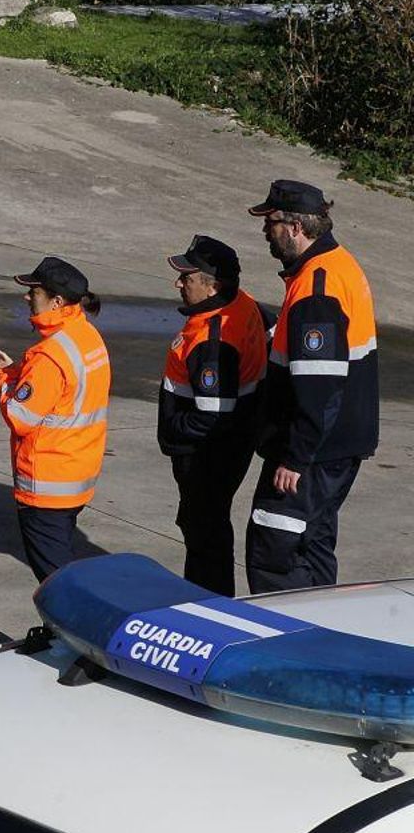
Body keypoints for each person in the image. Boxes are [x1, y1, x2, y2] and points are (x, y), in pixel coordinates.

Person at [244, 180, 377, 592]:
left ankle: (287, 644)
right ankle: (325, 633)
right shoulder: (337, 265)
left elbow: (319, 386)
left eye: (272, 222)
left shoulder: (316, 289)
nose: (266, 231)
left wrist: (295, 458)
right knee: (314, 542)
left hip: (314, 454)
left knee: (274, 550)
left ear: (296, 227)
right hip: (338, 446)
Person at [0, 257, 110, 582]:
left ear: (55, 301)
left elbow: (19, 416)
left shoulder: (50, 356)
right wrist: (20, 373)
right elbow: (60, 393)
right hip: (76, 474)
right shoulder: (86, 336)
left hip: (47, 485)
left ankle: (72, 630)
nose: (27, 297)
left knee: (57, 581)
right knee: (62, 563)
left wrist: (2, 378)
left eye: (34, 292)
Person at [158, 236, 268, 596]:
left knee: (205, 532)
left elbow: (212, 415)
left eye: (186, 278)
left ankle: (208, 603)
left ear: (212, 286)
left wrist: (174, 432)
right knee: (208, 527)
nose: (178, 284)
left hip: (207, 454)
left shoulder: (212, 341)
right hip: (233, 442)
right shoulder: (242, 303)